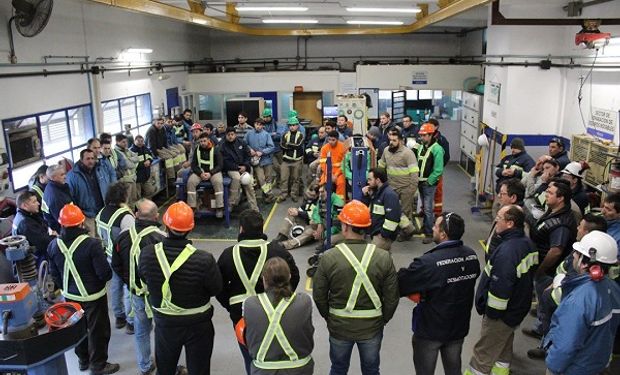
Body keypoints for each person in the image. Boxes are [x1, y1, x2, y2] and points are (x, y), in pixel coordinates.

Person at [312, 200, 399, 375]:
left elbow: (319, 294)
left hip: (339, 327)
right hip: (372, 328)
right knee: (371, 370)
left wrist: (329, 317)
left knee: (338, 368)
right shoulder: (383, 257)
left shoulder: (329, 257)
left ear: (345, 227)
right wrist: (383, 320)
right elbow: (392, 297)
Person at [139, 201, 222, 375]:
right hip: (198, 324)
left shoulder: (147, 254)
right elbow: (216, 289)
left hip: (165, 323)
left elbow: (144, 277)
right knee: (199, 369)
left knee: (165, 369)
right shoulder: (204, 260)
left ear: (165, 225)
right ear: (190, 228)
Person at [217, 209, 300, 374]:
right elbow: (294, 277)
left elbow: (218, 287)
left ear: (241, 229)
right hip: (275, 312)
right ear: (262, 229)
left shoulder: (227, 255)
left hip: (242, 317)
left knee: (251, 359)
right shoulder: (278, 252)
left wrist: (231, 305)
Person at [397, 212, 480, 375]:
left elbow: (401, 283)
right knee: (453, 369)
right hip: (458, 327)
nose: (433, 228)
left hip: (430, 330)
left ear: (443, 234)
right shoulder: (471, 256)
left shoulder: (428, 263)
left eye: (435, 226)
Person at [47, 204, 118, 375]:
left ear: (62, 224)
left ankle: (83, 360)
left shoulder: (54, 245)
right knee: (98, 330)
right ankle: (98, 365)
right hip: (94, 296)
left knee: (77, 329)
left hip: (70, 296)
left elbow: (54, 274)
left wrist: (67, 288)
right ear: (81, 224)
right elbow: (105, 274)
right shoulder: (92, 244)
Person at [465, 205, 537, 375]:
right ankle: (501, 371)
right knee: (504, 342)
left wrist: (493, 316)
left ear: (510, 223)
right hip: (516, 309)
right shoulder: (527, 244)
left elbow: (501, 289)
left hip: (501, 315)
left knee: (484, 352)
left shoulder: (507, 252)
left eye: (499, 217)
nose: (496, 220)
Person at [526, 213, 608, 360]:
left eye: (580, 227)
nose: (577, 228)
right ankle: (545, 342)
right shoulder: (579, 250)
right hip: (555, 299)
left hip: (560, 304)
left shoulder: (586, 263)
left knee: (558, 331)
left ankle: (548, 348)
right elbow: (563, 270)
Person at [544, 231, 620, 375]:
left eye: (577, 253)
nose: (573, 255)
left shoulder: (579, 299)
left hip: (572, 368)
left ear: (586, 262)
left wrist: (552, 366)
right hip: (594, 364)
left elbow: (566, 345)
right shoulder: (611, 288)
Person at [112, 199, 164, 375]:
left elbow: (117, 265)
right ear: (157, 216)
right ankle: (165, 365)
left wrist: (129, 282)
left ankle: (145, 365)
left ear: (135, 215)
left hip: (136, 293)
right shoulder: (161, 238)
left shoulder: (122, 238)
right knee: (162, 329)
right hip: (159, 295)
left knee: (141, 330)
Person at [523, 179, 577, 341]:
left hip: (549, 272)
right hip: (542, 268)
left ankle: (545, 339)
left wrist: (541, 270)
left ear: (560, 198)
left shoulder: (562, 224)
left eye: (550, 193)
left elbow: (555, 251)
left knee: (547, 308)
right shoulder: (553, 212)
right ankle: (540, 326)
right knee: (542, 303)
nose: (546, 195)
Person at [242, 257, 314, 374]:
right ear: (289, 277)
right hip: (300, 369)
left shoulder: (249, 304)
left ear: (264, 279)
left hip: (263, 370)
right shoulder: (306, 301)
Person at [95, 182, 135, 333]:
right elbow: (133, 238)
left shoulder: (101, 213)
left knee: (115, 286)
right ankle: (131, 322)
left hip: (110, 257)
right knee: (129, 288)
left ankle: (119, 316)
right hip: (125, 259)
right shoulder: (124, 217)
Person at [378, 128, 419, 242]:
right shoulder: (386, 150)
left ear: (400, 141)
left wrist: (412, 189)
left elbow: (414, 173)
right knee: (393, 211)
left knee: (406, 212)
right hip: (391, 187)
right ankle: (395, 230)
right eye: (390, 140)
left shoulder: (408, 153)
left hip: (406, 188)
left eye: (394, 140)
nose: (391, 142)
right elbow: (381, 167)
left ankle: (406, 233)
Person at [362, 168, 415, 251]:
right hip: (377, 234)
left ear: (378, 180)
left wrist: (383, 234)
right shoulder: (377, 193)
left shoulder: (389, 195)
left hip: (383, 237)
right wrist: (366, 196)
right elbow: (365, 209)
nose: (367, 182)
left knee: (371, 257)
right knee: (383, 260)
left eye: (370, 179)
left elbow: (392, 219)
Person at [66, 148, 115, 236]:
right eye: (88, 159)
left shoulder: (99, 169)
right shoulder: (73, 176)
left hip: (102, 210)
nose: (91, 161)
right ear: (81, 160)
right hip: (86, 215)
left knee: (104, 237)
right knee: (92, 239)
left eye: (92, 158)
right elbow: (71, 197)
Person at [416, 123, 445, 244]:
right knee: (424, 206)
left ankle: (429, 233)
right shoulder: (421, 146)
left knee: (428, 208)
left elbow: (438, 169)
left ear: (430, 135)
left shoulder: (437, 149)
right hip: (420, 182)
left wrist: (429, 181)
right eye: (421, 135)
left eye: (424, 135)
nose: (421, 137)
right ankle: (426, 227)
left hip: (428, 184)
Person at [484, 178, 525, 261]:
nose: (499, 196)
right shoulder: (505, 211)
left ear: (513, 197)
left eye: (502, 194)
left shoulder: (521, 220)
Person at [219, 127, 259, 212]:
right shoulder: (222, 145)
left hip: (244, 168)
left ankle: (254, 208)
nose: (230, 136)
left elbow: (248, 155)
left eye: (232, 134)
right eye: (228, 135)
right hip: (231, 168)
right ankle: (231, 203)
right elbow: (224, 161)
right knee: (236, 178)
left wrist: (245, 166)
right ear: (226, 135)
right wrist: (237, 168)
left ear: (235, 135)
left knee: (249, 186)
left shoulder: (242, 142)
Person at [187, 133, 225, 217]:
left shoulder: (215, 150)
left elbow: (220, 165)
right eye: (201, 141)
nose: (202, 143)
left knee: (218, 182)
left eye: (204, 141)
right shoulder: (197, 150)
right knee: (191, 182)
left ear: (208, 140)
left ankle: (219, 207)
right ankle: (192, 207)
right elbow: (193, 165)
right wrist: (200, 173)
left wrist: (210, 173)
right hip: (200, 172)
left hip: (213, 172)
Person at [12, 191, 55, 264]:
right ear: (25, 205)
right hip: (34, 262)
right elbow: (44, 243)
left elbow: (44, 224)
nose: (38, 203)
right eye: (34, 202)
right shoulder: (25, 223)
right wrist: (55, 237)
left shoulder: (27, 215)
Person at [245, 118, 276, 202]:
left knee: (268, 180)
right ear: (254, 124)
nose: (258, 126)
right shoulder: (249, 134)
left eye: (260, 125)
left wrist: (262, 152)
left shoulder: (266, 135)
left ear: (263, 126)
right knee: (261, 179)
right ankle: (270, 194)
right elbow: (245, 144)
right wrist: (250, 149)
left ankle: (266, 195)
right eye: (257, 124)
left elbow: (272, 147)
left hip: (267, 160)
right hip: (256, 161)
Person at [278, 117, 305, 203]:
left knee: (296, 179)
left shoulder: (301, 135)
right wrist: (291, 146)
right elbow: (282, 146)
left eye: (294, 125)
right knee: (283, 179)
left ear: (297, 126)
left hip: (297, 161)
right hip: (286, 161)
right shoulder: (285, 135)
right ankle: (283, 195)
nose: (292, 127)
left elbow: (298, 145)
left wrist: (288, 145)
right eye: (290, 125)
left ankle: (294, 195)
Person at [43, 164, 72, 234]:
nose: (65, 177)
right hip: (62, 230)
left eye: (64, 174)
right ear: (53, 178)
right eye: (62, 175)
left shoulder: (55, 187)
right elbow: (62, 220)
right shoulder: (55, 196)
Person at [318, 130, 347, 199]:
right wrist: (329, 174)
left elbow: (344, 163)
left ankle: (339, 203)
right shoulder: (324, 148)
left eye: (333, 140)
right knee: (323, 183)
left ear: (337, 139)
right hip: (327, 171)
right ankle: (323, 201)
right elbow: (323, 164)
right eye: (329, 140)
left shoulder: (343, 147)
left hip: (340, 172)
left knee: (341, 183)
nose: (331, 142)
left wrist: (336, 175)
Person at [115, 133, 139, 204]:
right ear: (117, 142)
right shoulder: (117, 153)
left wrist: (129, 159)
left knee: (134, 199)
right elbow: (128, 165)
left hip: (133, 179)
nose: (125, 144)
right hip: (125, 181)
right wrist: (132, 161)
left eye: (126, 142)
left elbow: (137, 158)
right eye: (123, 142)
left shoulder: (127, 150)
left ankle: (132, 214)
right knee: (126, 201)